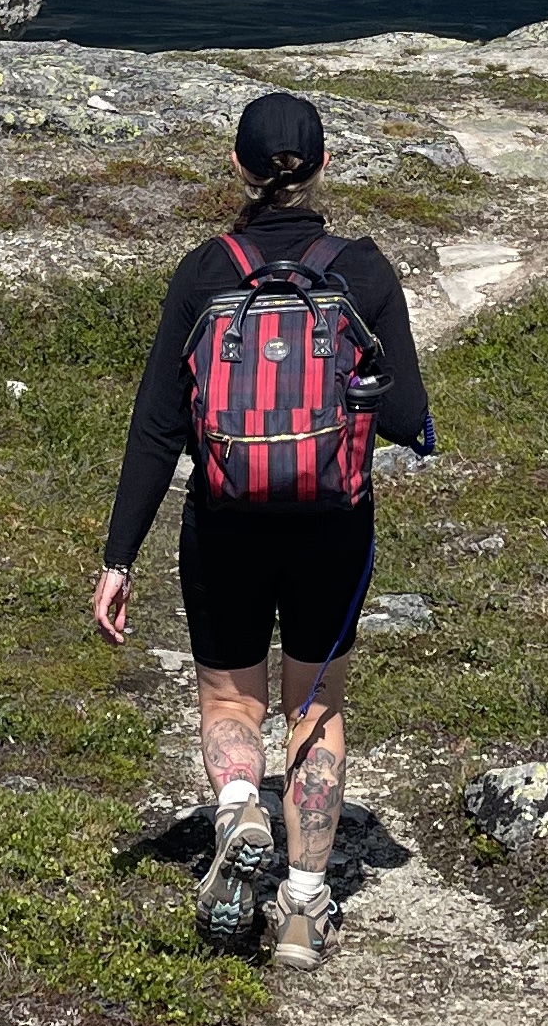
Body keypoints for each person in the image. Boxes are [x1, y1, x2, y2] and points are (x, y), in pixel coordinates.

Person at [90, 91, 434, 971]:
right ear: (322, 167)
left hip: (224, 520)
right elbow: (405, 418)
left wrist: (118, 555)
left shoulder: (206, 271)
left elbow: (156, 426)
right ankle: (303, 911)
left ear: (239, 169)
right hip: (333, 525)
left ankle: (241, 803)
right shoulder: (364, 269)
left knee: (229, 699)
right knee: (315, 707)